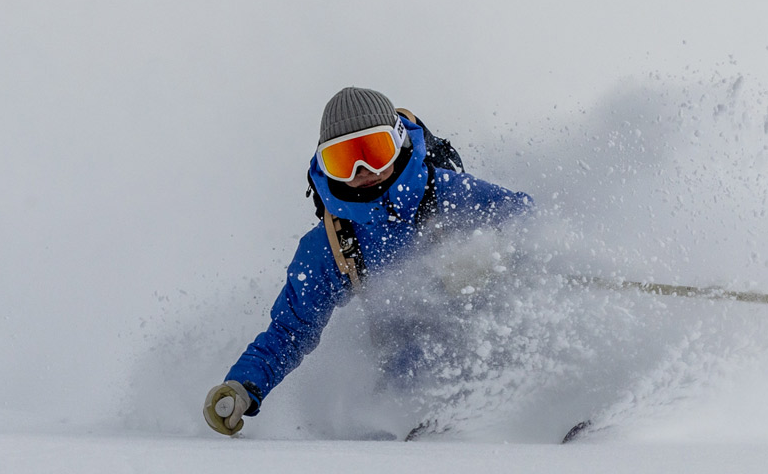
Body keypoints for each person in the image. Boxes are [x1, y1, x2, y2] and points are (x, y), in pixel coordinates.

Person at [203, 86, 533, 436]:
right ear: (327, 169)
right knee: (406, 364)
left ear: (399, 142)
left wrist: (488, 255)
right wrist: (243, 386)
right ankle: (424, 429)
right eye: (344, 160)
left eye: (375, 151)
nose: (363, 170)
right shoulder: (334, 244)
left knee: (508, 321)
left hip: (488, 324)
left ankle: (558, 405)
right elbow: (290, 330)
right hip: (409, 360)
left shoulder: (445, 193)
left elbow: (527, 221)